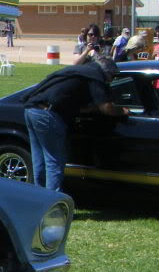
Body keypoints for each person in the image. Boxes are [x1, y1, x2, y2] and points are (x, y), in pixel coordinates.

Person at [22, 56, 129, 191]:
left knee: (39, 160)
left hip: (32, 109)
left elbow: (69, 98)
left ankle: (38, 197)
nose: (112, 80)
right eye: (113, 76)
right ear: (106, 72)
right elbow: (106, 108)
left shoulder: (80, 71)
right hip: (48, 115)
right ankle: (53, 204)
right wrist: (123, 110)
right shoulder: (95, 76)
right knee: (54, 161)